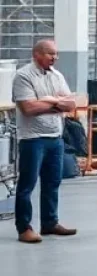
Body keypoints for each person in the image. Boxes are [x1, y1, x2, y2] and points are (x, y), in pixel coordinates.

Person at [12, 38, 78, 243]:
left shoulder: (56, 75)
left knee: (52, 183)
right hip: (32, 139)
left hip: (54, 138)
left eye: (56, 54)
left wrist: (51, 102)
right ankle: (24, 228)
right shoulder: (23, 76)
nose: (55, 58)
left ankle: (50, 222)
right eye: (51, 54)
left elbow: (71, 104)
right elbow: (28, 109)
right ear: (37, 54)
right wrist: (57, 104)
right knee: (27, 184)